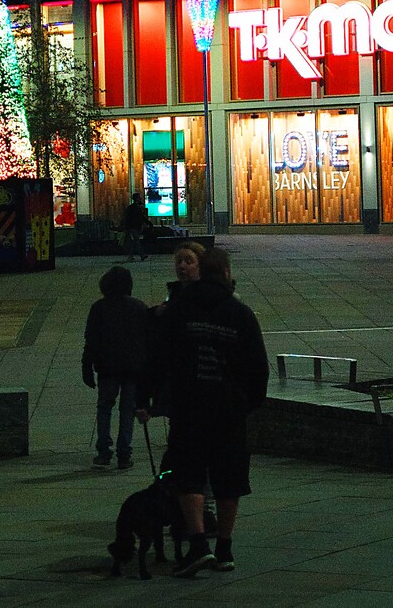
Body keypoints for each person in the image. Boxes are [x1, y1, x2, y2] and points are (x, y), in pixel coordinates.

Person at [140, 246, 267, 577]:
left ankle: (197, 544)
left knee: (189, 476)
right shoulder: (241, 314)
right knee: (229, 479)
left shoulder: (179, 310)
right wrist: (248, 402)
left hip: (189, 407)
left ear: (200, 271)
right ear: (225, 273)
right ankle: (224, 548)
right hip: (229, 411)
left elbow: (156, 358)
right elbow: (258, 368)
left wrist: (145, 397)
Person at [82, 264, 151, 471]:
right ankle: (124, 452)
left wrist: (87, 366)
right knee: (127, 410)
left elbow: (91, 340)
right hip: (131, 369)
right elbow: (147, 341)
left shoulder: (99, 307)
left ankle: (103, 451)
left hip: (107, 368)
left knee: (104, 407)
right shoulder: (139, 307)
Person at [122, 192, 150, 261]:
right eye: (139, 197)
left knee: (135, 242)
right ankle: (142, 255)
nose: (140, 198)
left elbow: (141, 217)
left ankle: (130, 255)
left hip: (136, 226)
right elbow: (129, 217)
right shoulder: (133, 208)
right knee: (137, 241)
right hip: (133, 226)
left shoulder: (138, 207)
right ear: (137, 198)